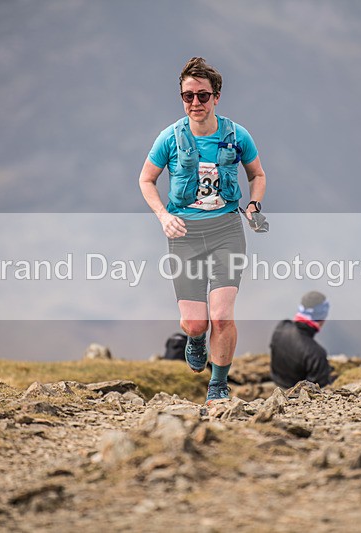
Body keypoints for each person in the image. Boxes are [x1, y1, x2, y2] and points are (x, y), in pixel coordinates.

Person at [138, 57, 267, 404]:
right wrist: (164, 216)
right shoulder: (169, 137)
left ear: (217, 97)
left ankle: (219, 384)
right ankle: (196, 340)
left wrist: (253, 206)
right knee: (195, 324)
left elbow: (257, 175)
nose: (195, 103)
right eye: (188, 96)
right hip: (184, 236)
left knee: (222, 316)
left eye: (203, 96)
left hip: (226, 229)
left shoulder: (237, 135)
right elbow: (146, 180)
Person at [269, 291, 335, 389]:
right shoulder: (316, 354)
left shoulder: (282, 326)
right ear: (322, 317)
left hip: (276, 385)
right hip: (295, 398)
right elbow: (318, 392)